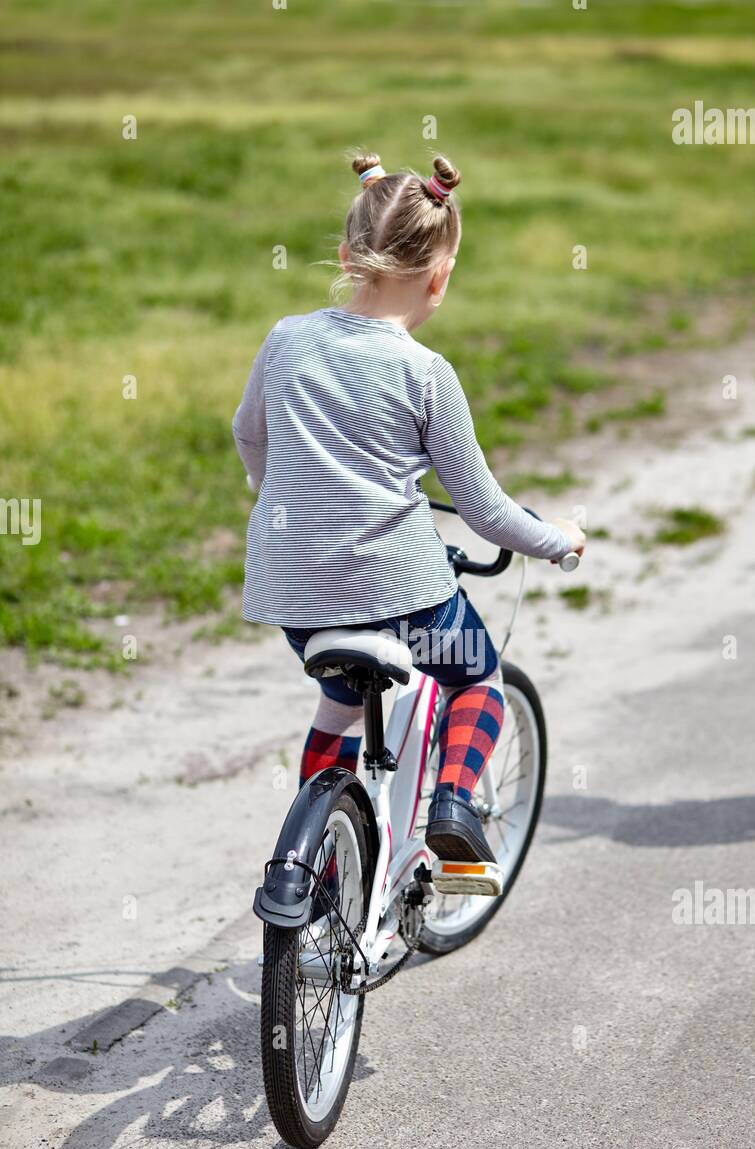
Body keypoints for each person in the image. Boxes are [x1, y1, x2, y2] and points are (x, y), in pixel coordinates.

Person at [232, 151, 585, 864]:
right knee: (476, 677)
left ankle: (317, 856)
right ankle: (454, 805)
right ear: (440, 278)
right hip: (404, 600)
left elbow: (248, 433)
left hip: (295, 595)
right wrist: (557, 539)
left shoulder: (285, 339)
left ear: (345, 256)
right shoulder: (425, 373)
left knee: (337, 701)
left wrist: (280, 501)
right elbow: (482, 509)